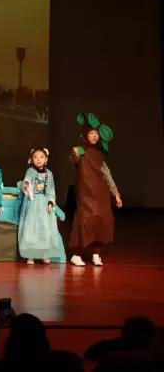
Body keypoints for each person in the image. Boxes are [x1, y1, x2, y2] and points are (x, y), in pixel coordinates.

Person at [69, 113, 122, 266]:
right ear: (86, 134)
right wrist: (74, 154)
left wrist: (115, 193)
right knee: (85, 219)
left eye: (96, 134)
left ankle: (96, 254)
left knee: (102, 220)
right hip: (85, 192)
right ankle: (76, 254)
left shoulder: (99, 153)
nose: (94, 136)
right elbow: (73, 159)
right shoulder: (81, 150)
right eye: (91, 133)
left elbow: (106, 173)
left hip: (100, 193)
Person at [18, 147, 66, 264]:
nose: (38, 159)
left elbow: (51, 189)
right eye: (35, 157)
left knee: (45, 228)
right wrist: (26, 185)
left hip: (44, 203)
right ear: (31, 159)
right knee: (31, 228)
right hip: (33, 203)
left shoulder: (49, 173)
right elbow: (26, 182)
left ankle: (44, 254)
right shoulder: (30, 171)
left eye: (41, 157)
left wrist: (51, 201)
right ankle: (30, 255)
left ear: (46, 159)